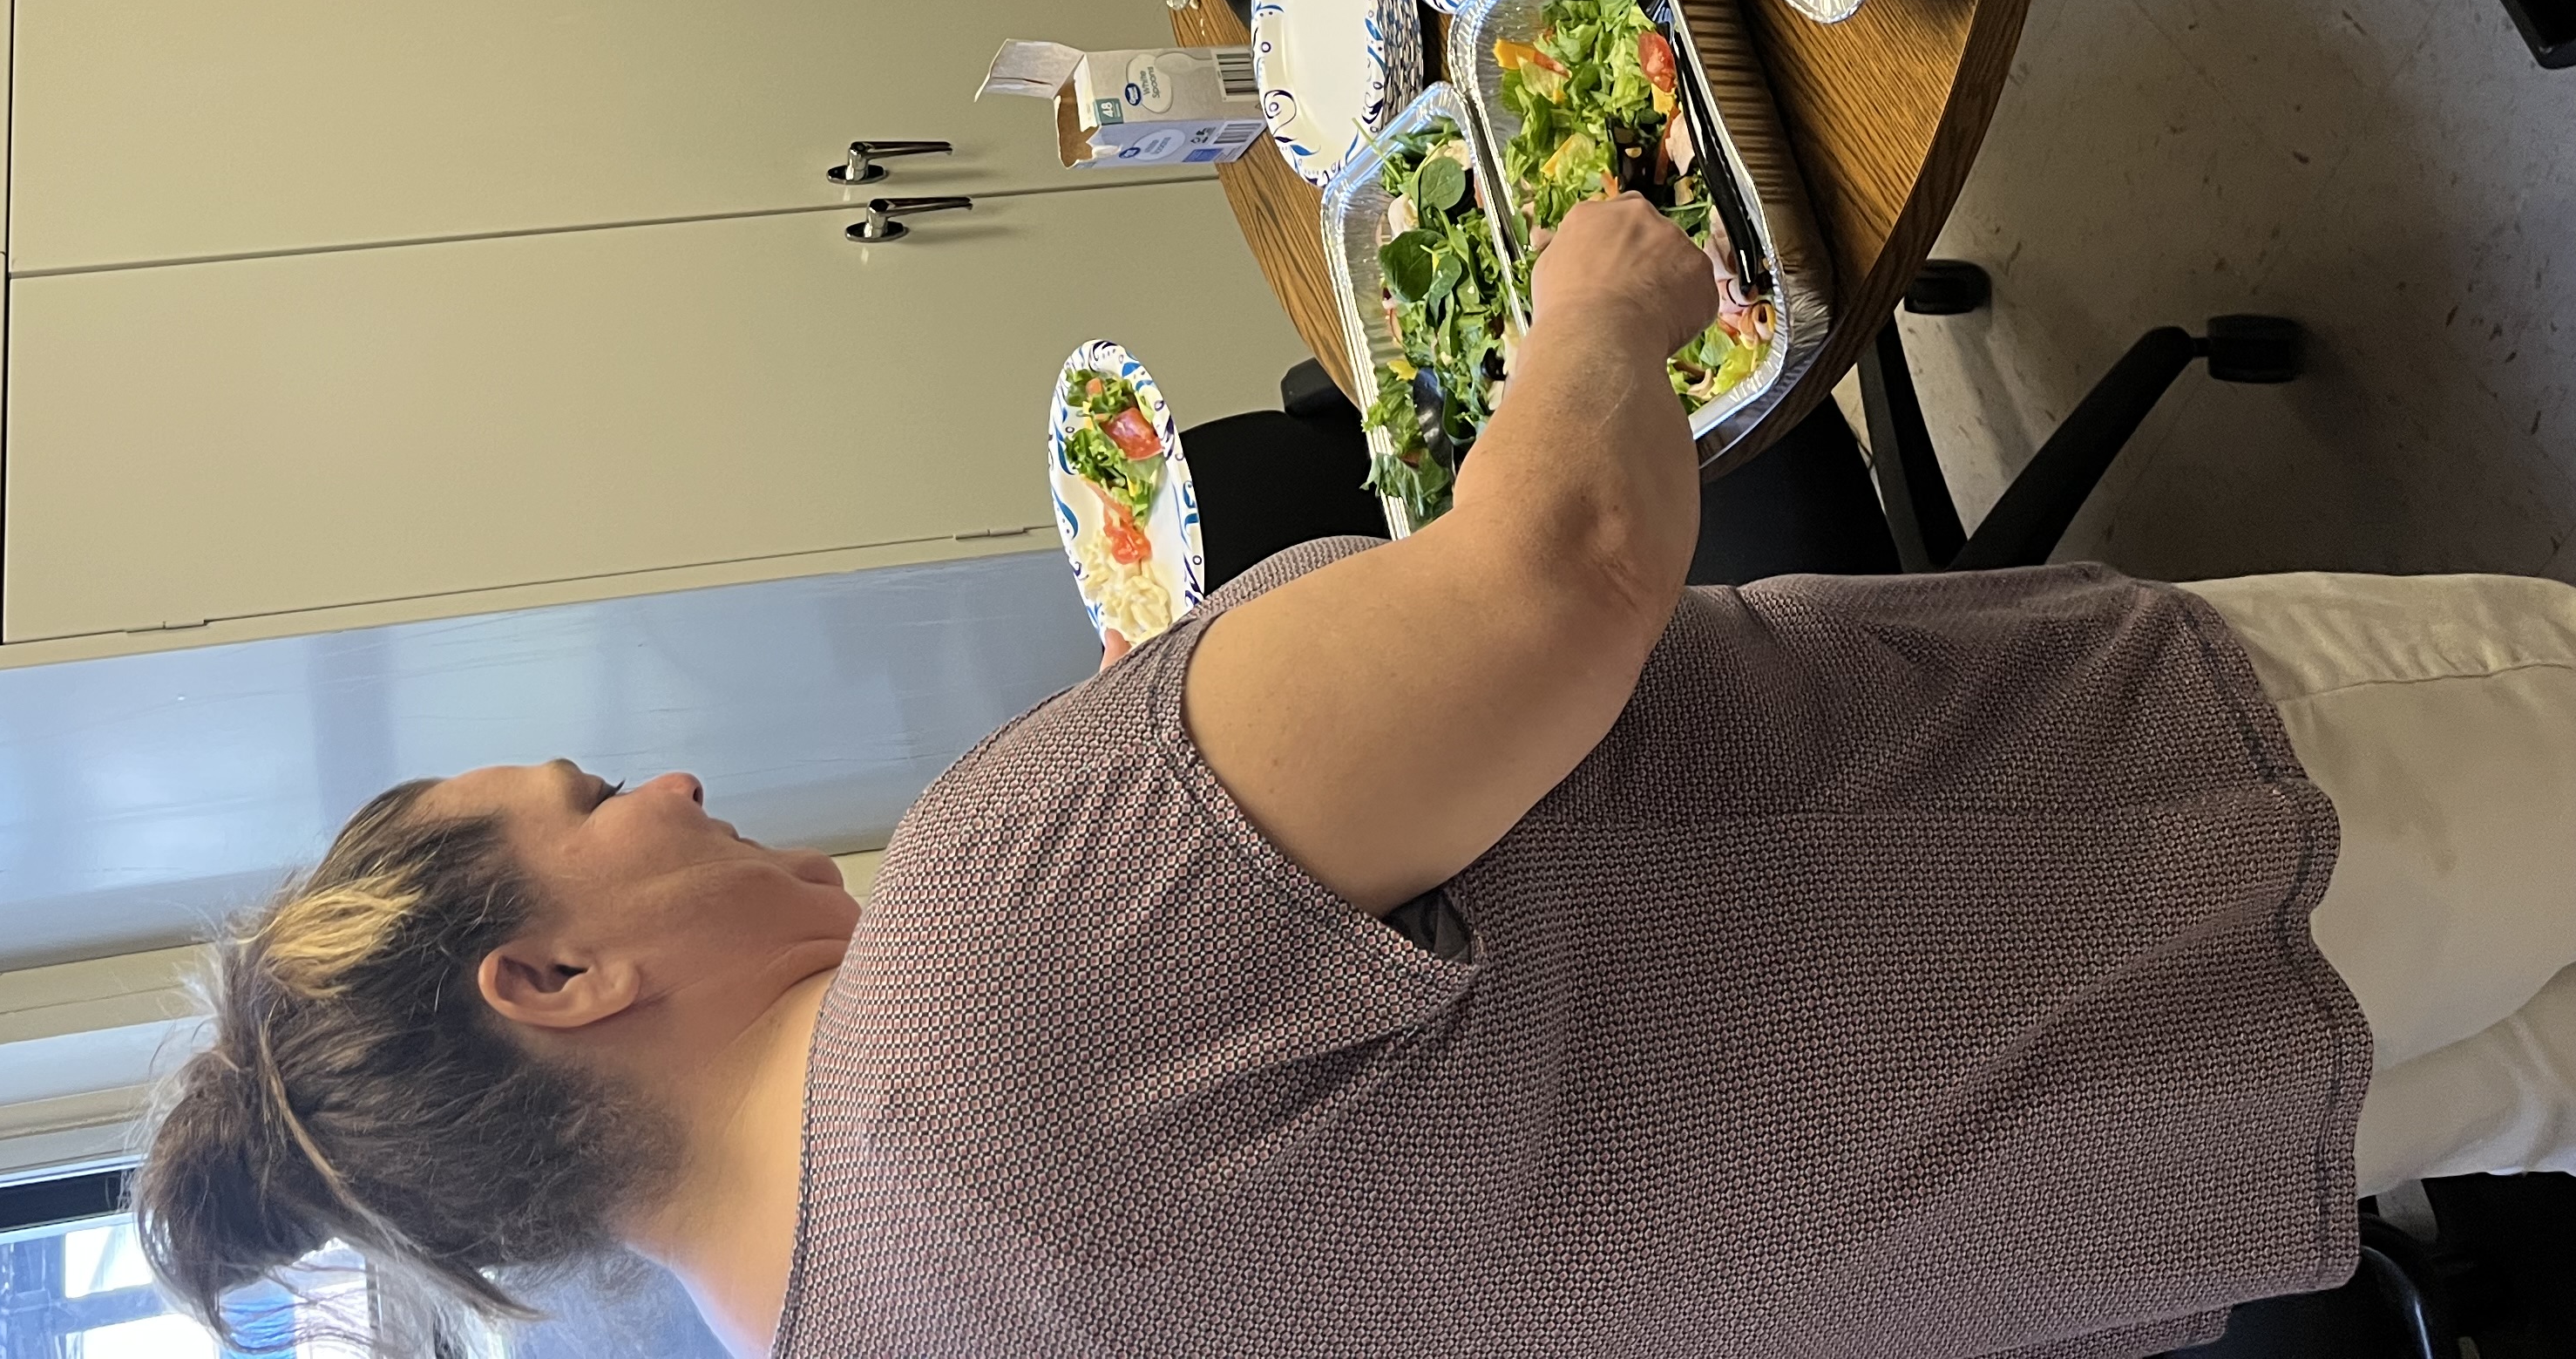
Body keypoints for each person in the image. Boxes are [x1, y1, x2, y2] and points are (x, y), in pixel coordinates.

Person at [132, 189, 2576, 1359]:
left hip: (2093, 1185)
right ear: (555, 973)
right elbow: (1571, 571)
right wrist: (1603, 301)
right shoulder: (990, 961)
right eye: (583, 799)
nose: (658, 787)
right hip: (2149, 864)